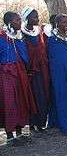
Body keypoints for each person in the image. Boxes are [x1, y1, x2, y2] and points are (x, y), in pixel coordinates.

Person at [0, 11, 36, 146]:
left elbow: (24, 55)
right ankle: (10, 135)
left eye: (20, 20)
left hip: (20, 73)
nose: (19, 23)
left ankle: (20, 132)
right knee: (9, 103)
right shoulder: (1, 37)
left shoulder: (19, 37)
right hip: (6, 75)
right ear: (9, 23)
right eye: (16, 21)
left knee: (21, 101)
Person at [21, 7, 50, 133]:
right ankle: (32, 124)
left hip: (41, 69)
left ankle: (40, 123)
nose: (37, 19)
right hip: (29, 71)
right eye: (34, 17)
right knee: (32, 96)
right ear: (27, 19)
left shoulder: (38, 31)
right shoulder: (21, 33)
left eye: (37, 16)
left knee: (42, 95)